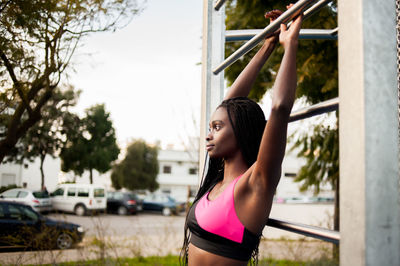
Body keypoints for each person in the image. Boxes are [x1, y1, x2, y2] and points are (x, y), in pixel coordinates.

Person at [180, 5, 303, 266]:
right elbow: (230, 105)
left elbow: (280, 108)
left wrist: (289, 44)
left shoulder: (256, 182)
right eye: (211, 127)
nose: (208, 135)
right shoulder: (216, 180)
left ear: (240, 132)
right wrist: (266, 46)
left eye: (217, 128)